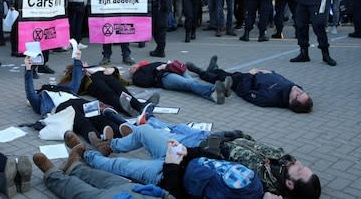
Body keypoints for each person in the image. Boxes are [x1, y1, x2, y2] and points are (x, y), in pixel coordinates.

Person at [82, 122, 320, 199]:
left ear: (289, 185)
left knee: (118, 167)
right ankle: (109, 145)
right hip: (187, 154)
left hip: (167, 172)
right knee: (143, 131)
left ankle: (85, 154)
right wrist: (187, 152)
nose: (296, 162)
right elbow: (214, 161)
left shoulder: (252, 191)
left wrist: (172, 165)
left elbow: (178, 193)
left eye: (298, 169)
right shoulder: (258, 180)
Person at [24, 51, 134, 141]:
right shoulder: (41, 98)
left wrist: (77, 60)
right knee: (82, 121)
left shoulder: (67, 89)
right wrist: (28, 69)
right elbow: (30, 93)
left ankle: (119, 129)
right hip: (63, 108)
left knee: (98, 113)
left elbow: (76, 80)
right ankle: (98, 140)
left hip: (79, 101)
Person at [187, 56, 313, 113]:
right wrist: (269, 72)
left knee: (222, 77)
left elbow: (247, 93)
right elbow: (280, 79)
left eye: (299, 94)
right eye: (303, 92)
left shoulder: (270, 98)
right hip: (253, 75)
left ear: (291, 101)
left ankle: (200, 72)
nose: (299, 90)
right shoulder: (292, 88)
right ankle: (214, 69)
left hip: (244, 81)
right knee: (224, 74)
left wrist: (251, 75)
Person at [32, 151, 173, 199]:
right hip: (138, 192)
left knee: (78, 190)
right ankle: (75, 167)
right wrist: (163, 194)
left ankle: (52, 174)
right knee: (101, 176)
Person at [59, 55, 159, 117]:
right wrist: (81, 71)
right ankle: (126, 109)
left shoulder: (97, 67)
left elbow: (122, 80)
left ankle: (140, 106)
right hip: (93, 83)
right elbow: (69, 84)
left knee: (121, 90)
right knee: (108, 93)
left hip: (106, 76)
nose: (85, 63)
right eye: (83, 63)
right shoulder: (76, 72)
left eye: (85, 62)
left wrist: (113, 69)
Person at [130, 60, 230, 104]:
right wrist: (158, 70)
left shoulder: (147, 65)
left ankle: (214, 95)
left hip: (173, 70)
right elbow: (146, 82)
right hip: (165, 77)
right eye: (132, 68)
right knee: (189, 84)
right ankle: (214, 90)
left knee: (192, 84)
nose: (134, 66)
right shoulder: (137, 76)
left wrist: (168, 64)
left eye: (134, 65)